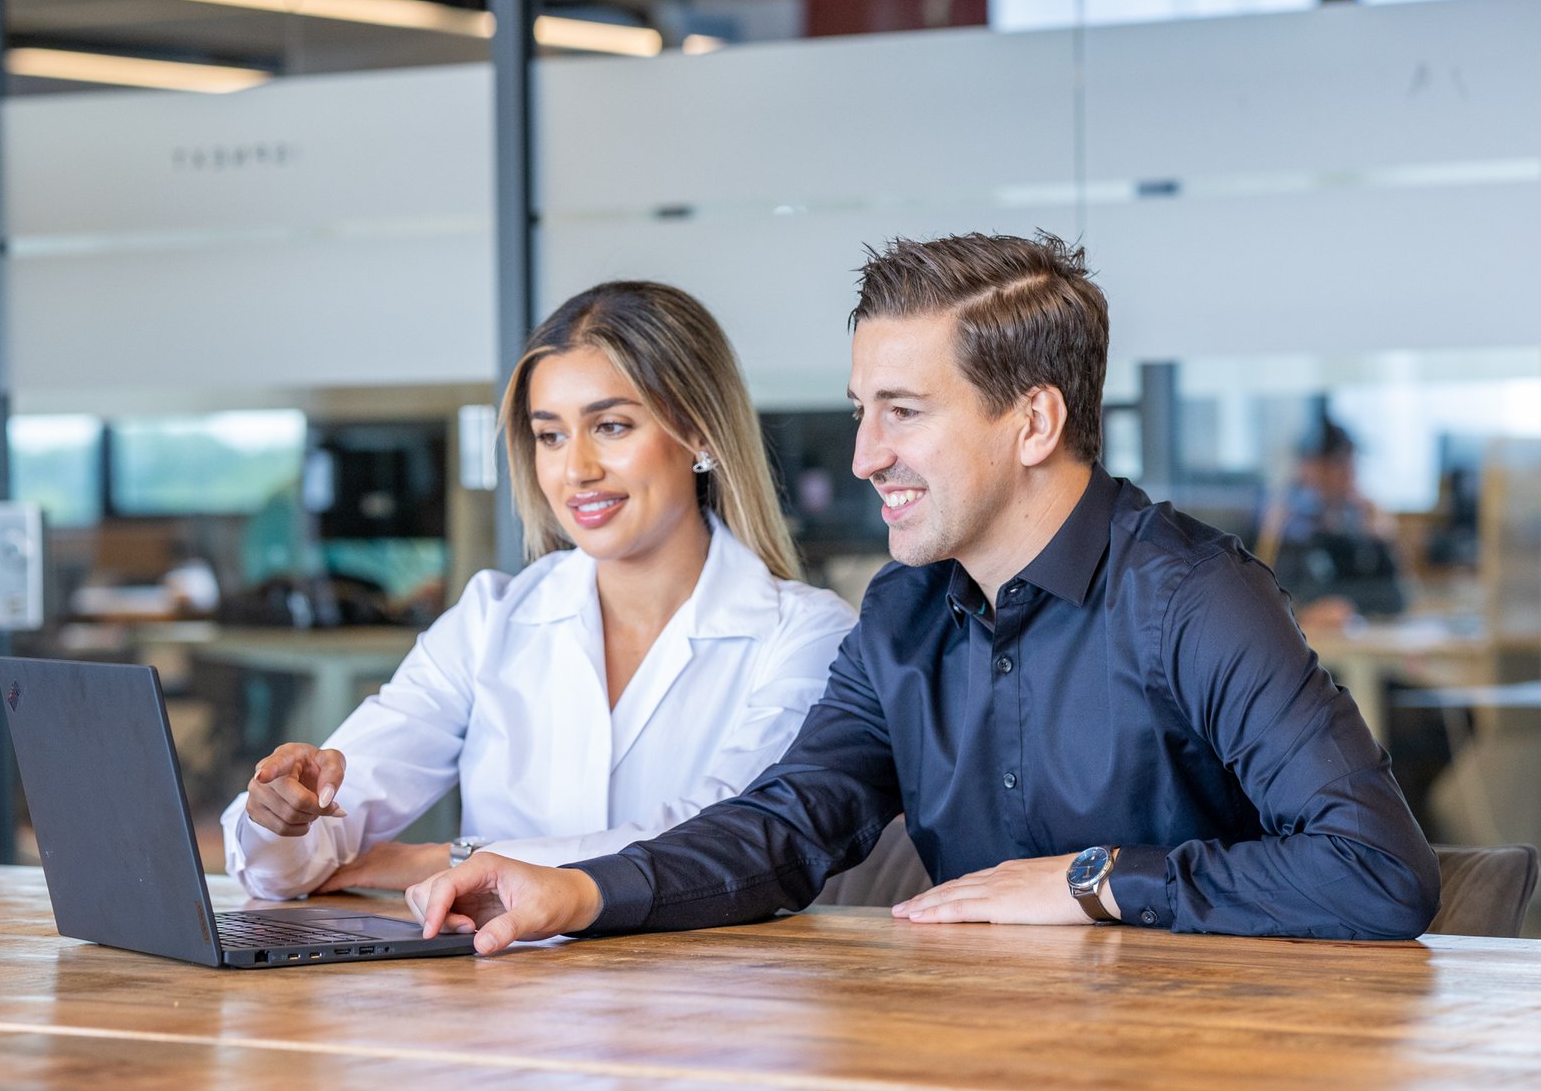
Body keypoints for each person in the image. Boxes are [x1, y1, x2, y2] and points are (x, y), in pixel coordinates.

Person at [408, 232, 1443, 954]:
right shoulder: (901, 618)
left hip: (1204, 1088)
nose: (863, 457)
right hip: (975, 1077)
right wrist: (578, 892)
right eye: (862, 411)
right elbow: (781, 827)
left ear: (1032, 423)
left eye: (901, 412)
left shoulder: (1192, 598)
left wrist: (1093, 880)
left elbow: (1374, 870)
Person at [219, 282, 855, 900]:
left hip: (706, 993)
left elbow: (719, 845)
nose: (576, 469)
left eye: (610, 426)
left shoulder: (806, 635)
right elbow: (290, 864)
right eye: (550, 435)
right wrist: (281, 816)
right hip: (501, 995)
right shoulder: (492, 619)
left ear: (700, 433)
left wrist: (451, 859)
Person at [1259, 416, 1407, 632]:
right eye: (1339, 462)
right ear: (1309, 467)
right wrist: (1306, 610)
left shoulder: (1359, 523)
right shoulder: (1286, 524)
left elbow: (1395, 598)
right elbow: (1272, 600)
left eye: (1351, 461)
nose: (1350, 472)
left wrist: (1382, 541)